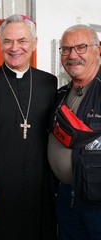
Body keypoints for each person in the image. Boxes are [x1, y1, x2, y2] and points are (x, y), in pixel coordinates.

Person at [0, 14, 57, 240]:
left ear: (34, 44)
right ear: (0, 43)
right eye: (8, 41)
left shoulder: (49, 83)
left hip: (38, 188)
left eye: (22, 41)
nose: (15, 48)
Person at [48, 24, 101, 240]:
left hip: (96, 201)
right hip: (65, 195)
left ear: (98, 50)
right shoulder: (61, 93)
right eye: (66, 49)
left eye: (81, 47)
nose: (73, 55)